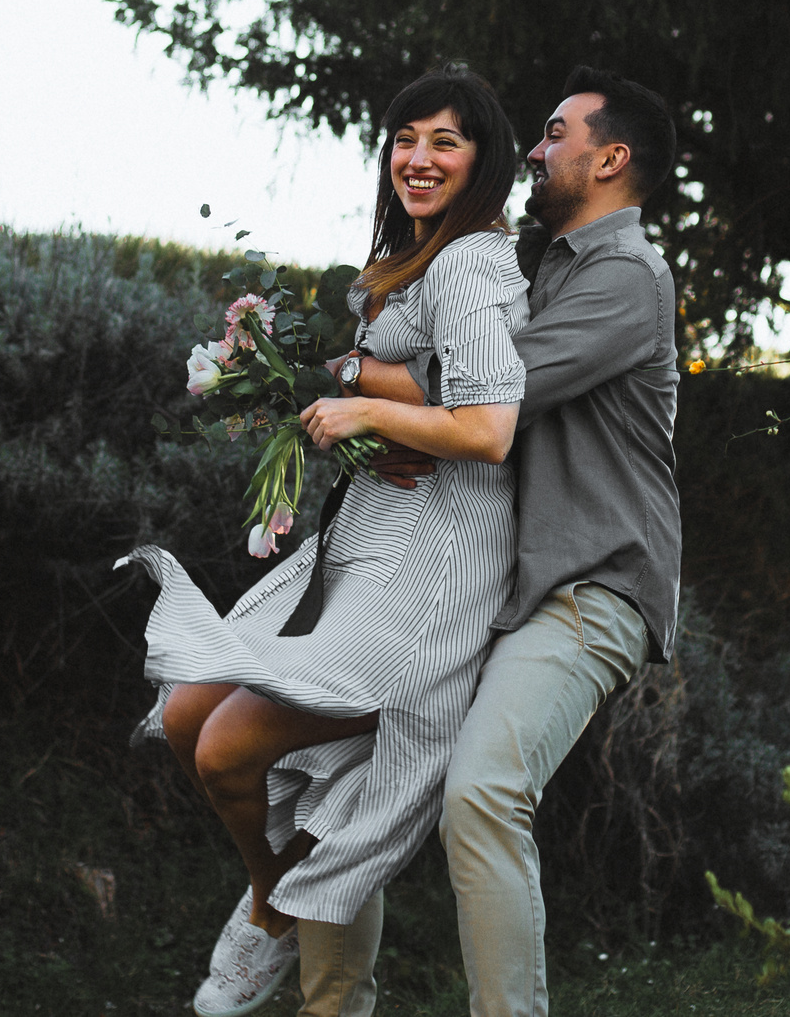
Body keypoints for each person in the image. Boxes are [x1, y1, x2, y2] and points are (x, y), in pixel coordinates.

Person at [120, 63, 532, 1017]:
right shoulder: (418, 258)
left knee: (224, 746)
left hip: (432, 567)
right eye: (405, 137)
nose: (418, 158)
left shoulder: (473, 260)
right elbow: (414, 385)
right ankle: (286, 899)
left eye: (445, 140)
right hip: (368, 544)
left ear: (486, 158)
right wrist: (348, 375)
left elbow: (487, 428)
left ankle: (270, 907)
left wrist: (352, 403)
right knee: (189, 716)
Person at [312, 65, 683, 1017]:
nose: (534, 147)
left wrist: (359, 375)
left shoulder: (628, 278)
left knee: (480, 792)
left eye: (556, 133)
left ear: (610, 157)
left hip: (589, 586)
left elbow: (488, 385)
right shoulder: (533, 260)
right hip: (493, 581)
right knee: (340, 760)